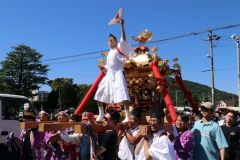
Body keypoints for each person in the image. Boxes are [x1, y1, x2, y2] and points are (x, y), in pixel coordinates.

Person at [94, 18, 133, 122]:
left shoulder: (119, 48)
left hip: (118, 73)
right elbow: (107, 66)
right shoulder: (109, 52)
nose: (110, 41)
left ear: (116, 41)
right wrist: (104, 69)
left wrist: (122, 26)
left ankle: (128, 116)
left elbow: (124, 38)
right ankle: (101, 114)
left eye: (112, 40)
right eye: (109, 40)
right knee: (99, 93)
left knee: (123, 93)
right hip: (109, 75)